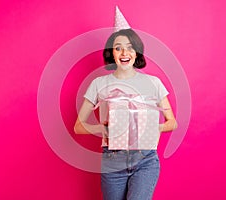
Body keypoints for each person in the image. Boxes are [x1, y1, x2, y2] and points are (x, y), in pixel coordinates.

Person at [74, 6, 177, 200]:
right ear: (111, 53)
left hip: (145, 160)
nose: (124, 52)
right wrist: (101, 130)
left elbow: (172, 122)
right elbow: (78, 126)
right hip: (113, 160)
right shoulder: (98, 84)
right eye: (118, 47)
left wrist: (154, 127)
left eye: (130, 47)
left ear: (136, 52)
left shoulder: (153, 83)